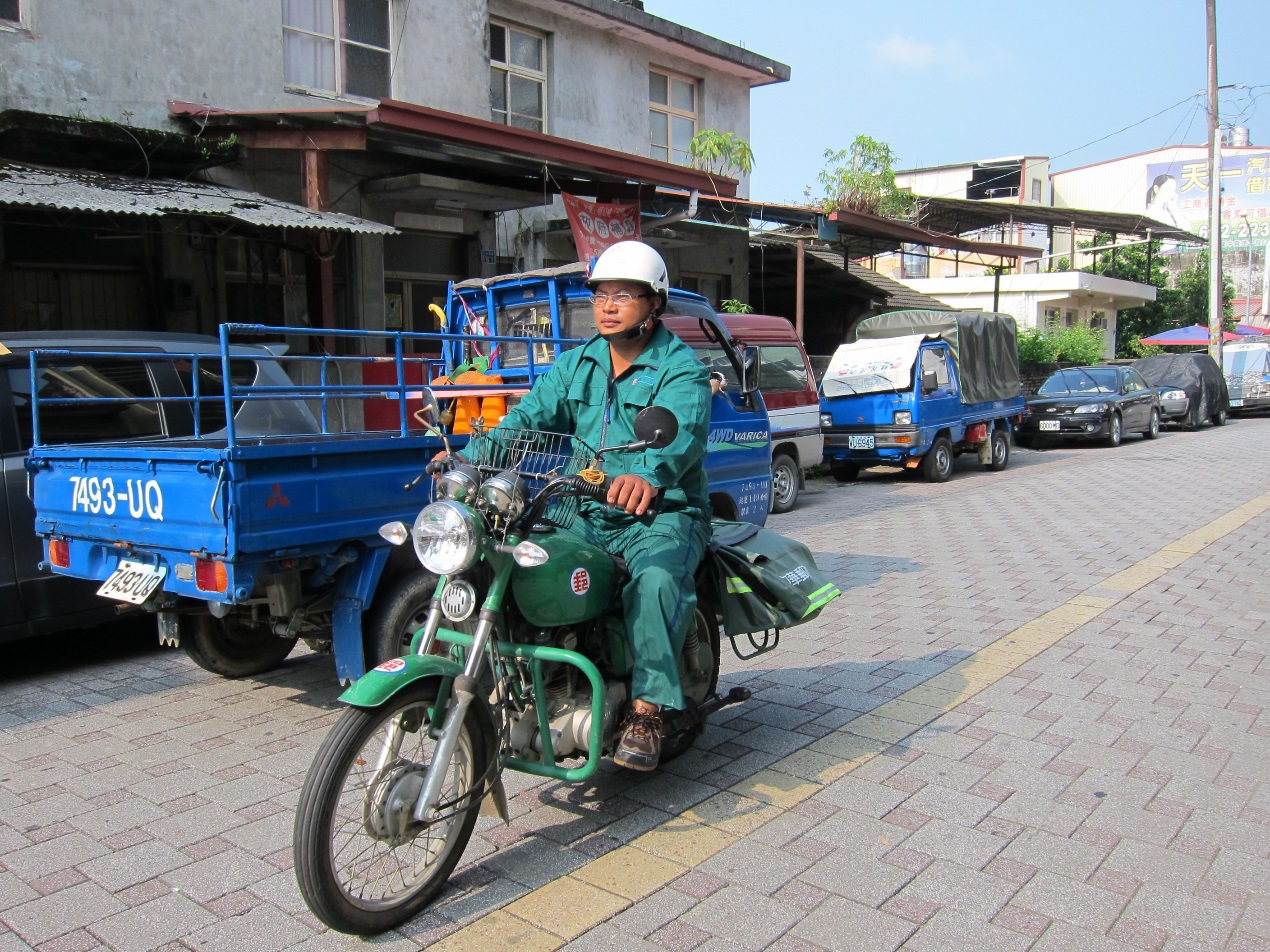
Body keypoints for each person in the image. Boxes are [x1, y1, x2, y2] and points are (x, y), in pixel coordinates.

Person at [458, 240, 712, 771]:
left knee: (657, 582)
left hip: (658, 515)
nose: (608, 306)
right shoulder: (577, 365)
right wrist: (468, 460)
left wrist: (647, 476)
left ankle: (646, 711)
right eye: (600, 295)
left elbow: (679, 436)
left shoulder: (679, 369)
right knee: (514, 553)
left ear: (655, 304)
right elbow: (526, 420)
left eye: (624, 295)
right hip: (582, 508)